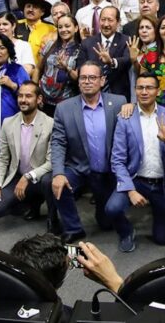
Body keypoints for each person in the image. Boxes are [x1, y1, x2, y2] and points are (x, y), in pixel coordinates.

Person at [106, 73, 165, 251]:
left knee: (163, 238)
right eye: (140, 87)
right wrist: (130, 190)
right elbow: (117, 160)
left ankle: (160, 213)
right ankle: (126, 232)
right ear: (135, 91)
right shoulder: (125, 117)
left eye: (149, 87)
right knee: (112, 208)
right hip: (136, 180)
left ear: (158, 91)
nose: (144, 92)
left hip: (162, 183)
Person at [49, 60, 123, 242]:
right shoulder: (64, 108)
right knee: (57, 182)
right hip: (79, 167)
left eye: (92, 77)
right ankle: (74, 228)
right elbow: (58, 142)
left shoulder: (119, 103)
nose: (87, 81)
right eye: (83, 77)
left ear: (102, 80)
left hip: (107, 171)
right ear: (78, 80)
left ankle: (103, 210)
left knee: (106, 223)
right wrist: (58, 173)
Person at [0, 81, 54, 221]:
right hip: (17, 176)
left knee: (48, 181)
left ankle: (51, 216)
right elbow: (2, 157)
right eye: (20, 96)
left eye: (28, 96)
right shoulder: (8, 123)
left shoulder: (50, 124)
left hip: (41, 178)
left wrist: (28, 177)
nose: (23, 100)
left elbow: (52, 162)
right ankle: (28, 204)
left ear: (39, 99)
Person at [77, 6, 131, 100]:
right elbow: (80, 68)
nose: (106, 24)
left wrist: (111, 61)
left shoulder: (126, 41)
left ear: (118, 22)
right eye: (103, 20)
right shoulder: (87, 43)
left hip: (118, 96)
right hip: (91, 96)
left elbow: (127, 60)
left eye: (110, 20)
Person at [36, 13, 81, 115]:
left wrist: (66, 68)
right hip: (44, 100)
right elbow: (38, 69)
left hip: (67, 102)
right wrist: (35, 93)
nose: (63, 30)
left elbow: (78, 78)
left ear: (76, 28)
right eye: (60, 27)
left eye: (67, 26)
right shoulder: (50, 44)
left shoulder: (81, 49)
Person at [15, 0, 55, 67]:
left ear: (42, 12)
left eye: (35, 7)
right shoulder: (14, 25)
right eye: (28, 6)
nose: (30, 9)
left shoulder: (51, 28)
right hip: (17, 72)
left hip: (41, 71)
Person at [0, 13, 36, 77]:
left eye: (5, 24)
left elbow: (28, 69)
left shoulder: (24, 46)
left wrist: (10, 81)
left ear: (13, 26)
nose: (1, 27)